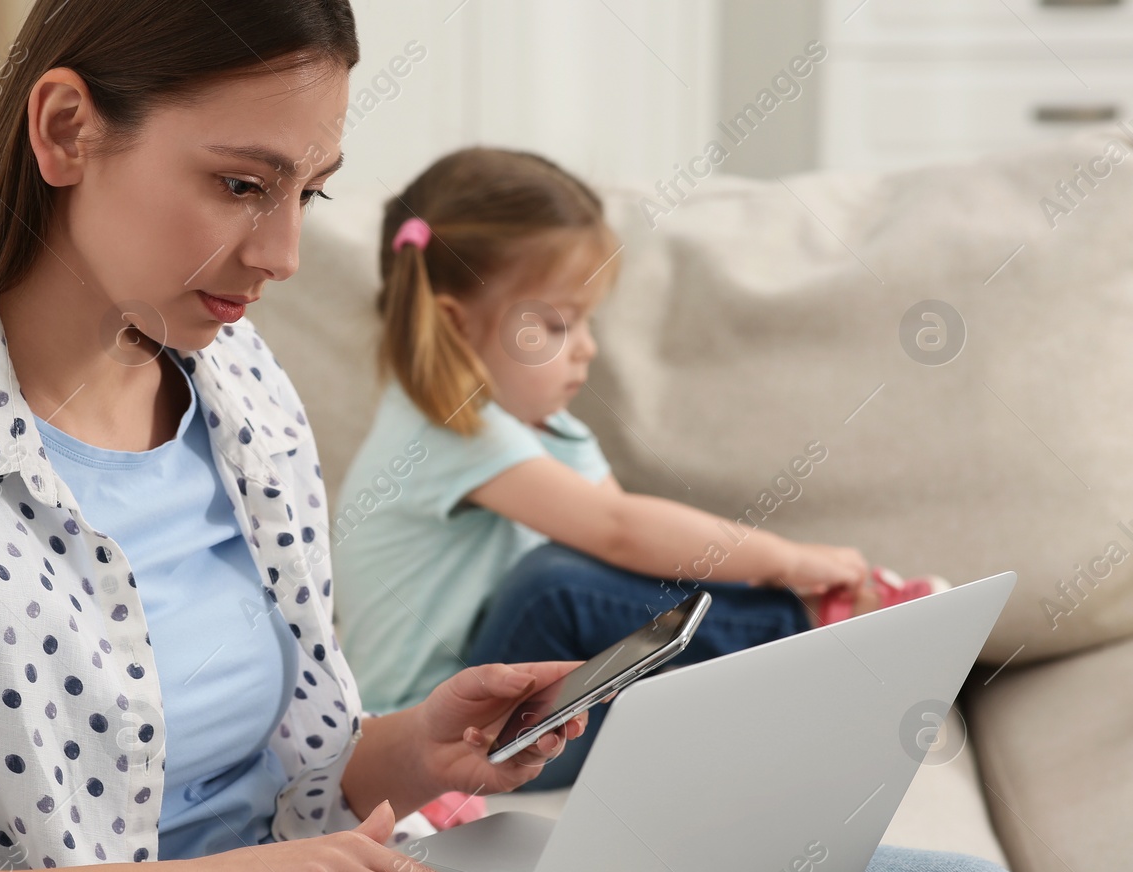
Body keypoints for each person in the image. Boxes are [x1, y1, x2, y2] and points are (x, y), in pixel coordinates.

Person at [0, 2, 1133, 872]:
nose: (281, 253)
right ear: (65, 128)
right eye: (239, 184)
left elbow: (288, 774)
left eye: (306, 193)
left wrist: (407, 747)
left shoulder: (233, 385)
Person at [332, 146, 948, 795]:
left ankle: (808, 671)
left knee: (629, 621)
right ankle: (815, 630)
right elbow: (619, 529)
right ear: (457, 328)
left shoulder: (533, 429)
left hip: (510, 714)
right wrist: (785, 560)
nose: (589, 347)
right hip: (444, 737)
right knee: (552, 586)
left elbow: (632, 568)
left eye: (587, 321)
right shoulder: (447, 433)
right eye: (557, 323)